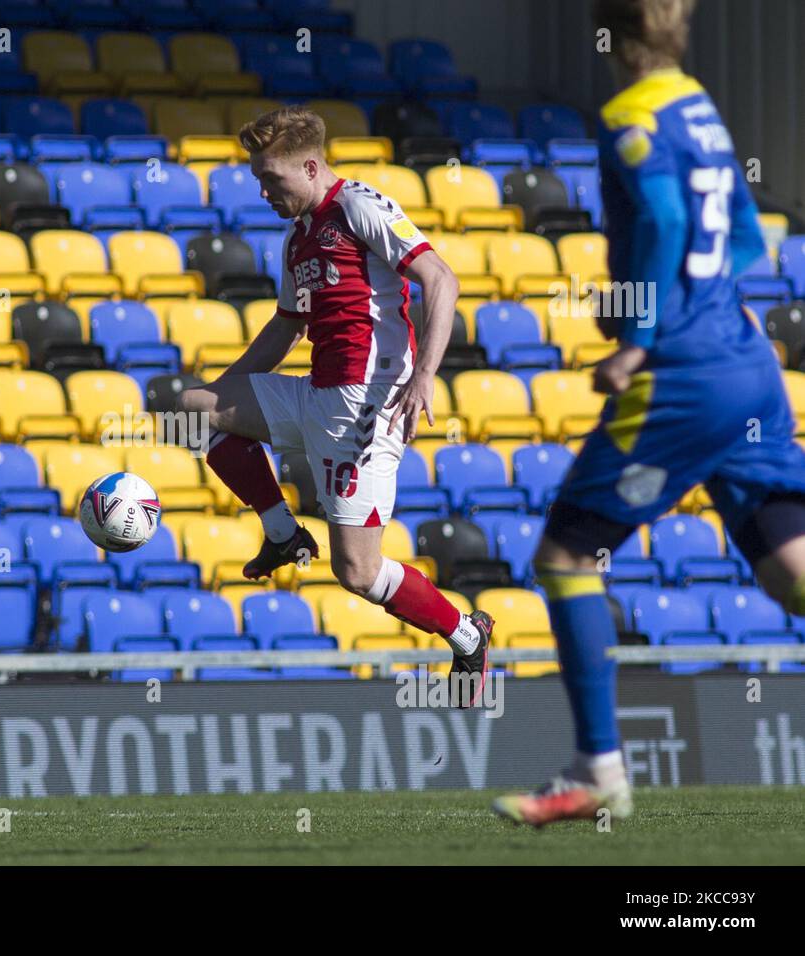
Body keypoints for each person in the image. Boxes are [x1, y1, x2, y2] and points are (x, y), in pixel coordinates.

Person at [494, 0, 805, 826]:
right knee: (793, 574)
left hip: (686, 377)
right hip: (747, 361)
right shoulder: (699, 106)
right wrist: (699, 304)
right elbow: (748, 240)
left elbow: (668, 219)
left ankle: (598, 769)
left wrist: (638, 334)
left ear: (612, 38)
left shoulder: (630, 115)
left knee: (566, 555)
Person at [178, 106, 494, 706]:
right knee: (196, 406)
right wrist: (228, 391)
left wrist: (425, 374)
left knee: (357, 573)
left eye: (272, 180)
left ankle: (465, 636)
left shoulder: (359, 205)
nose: (264, 191)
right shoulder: (297, 238)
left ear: (312, 166)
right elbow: (287, 328)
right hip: (316, 392)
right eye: (258, 181)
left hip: (365, 407)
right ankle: (282, 534)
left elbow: (440, 278)